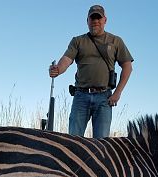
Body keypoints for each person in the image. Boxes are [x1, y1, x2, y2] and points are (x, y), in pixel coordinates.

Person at [49, 4, 134, 138]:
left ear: (105, 20)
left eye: (98, 18)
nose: (95, 21)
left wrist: (117, 93)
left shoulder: (115, 41)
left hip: (104, 98)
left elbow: (127, 66)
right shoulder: (78, 41)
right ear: (87, 20)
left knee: (101, 143)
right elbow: (66, 59)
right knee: (74, 141)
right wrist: (58, 69)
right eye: (92, 18)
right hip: (81, 97)